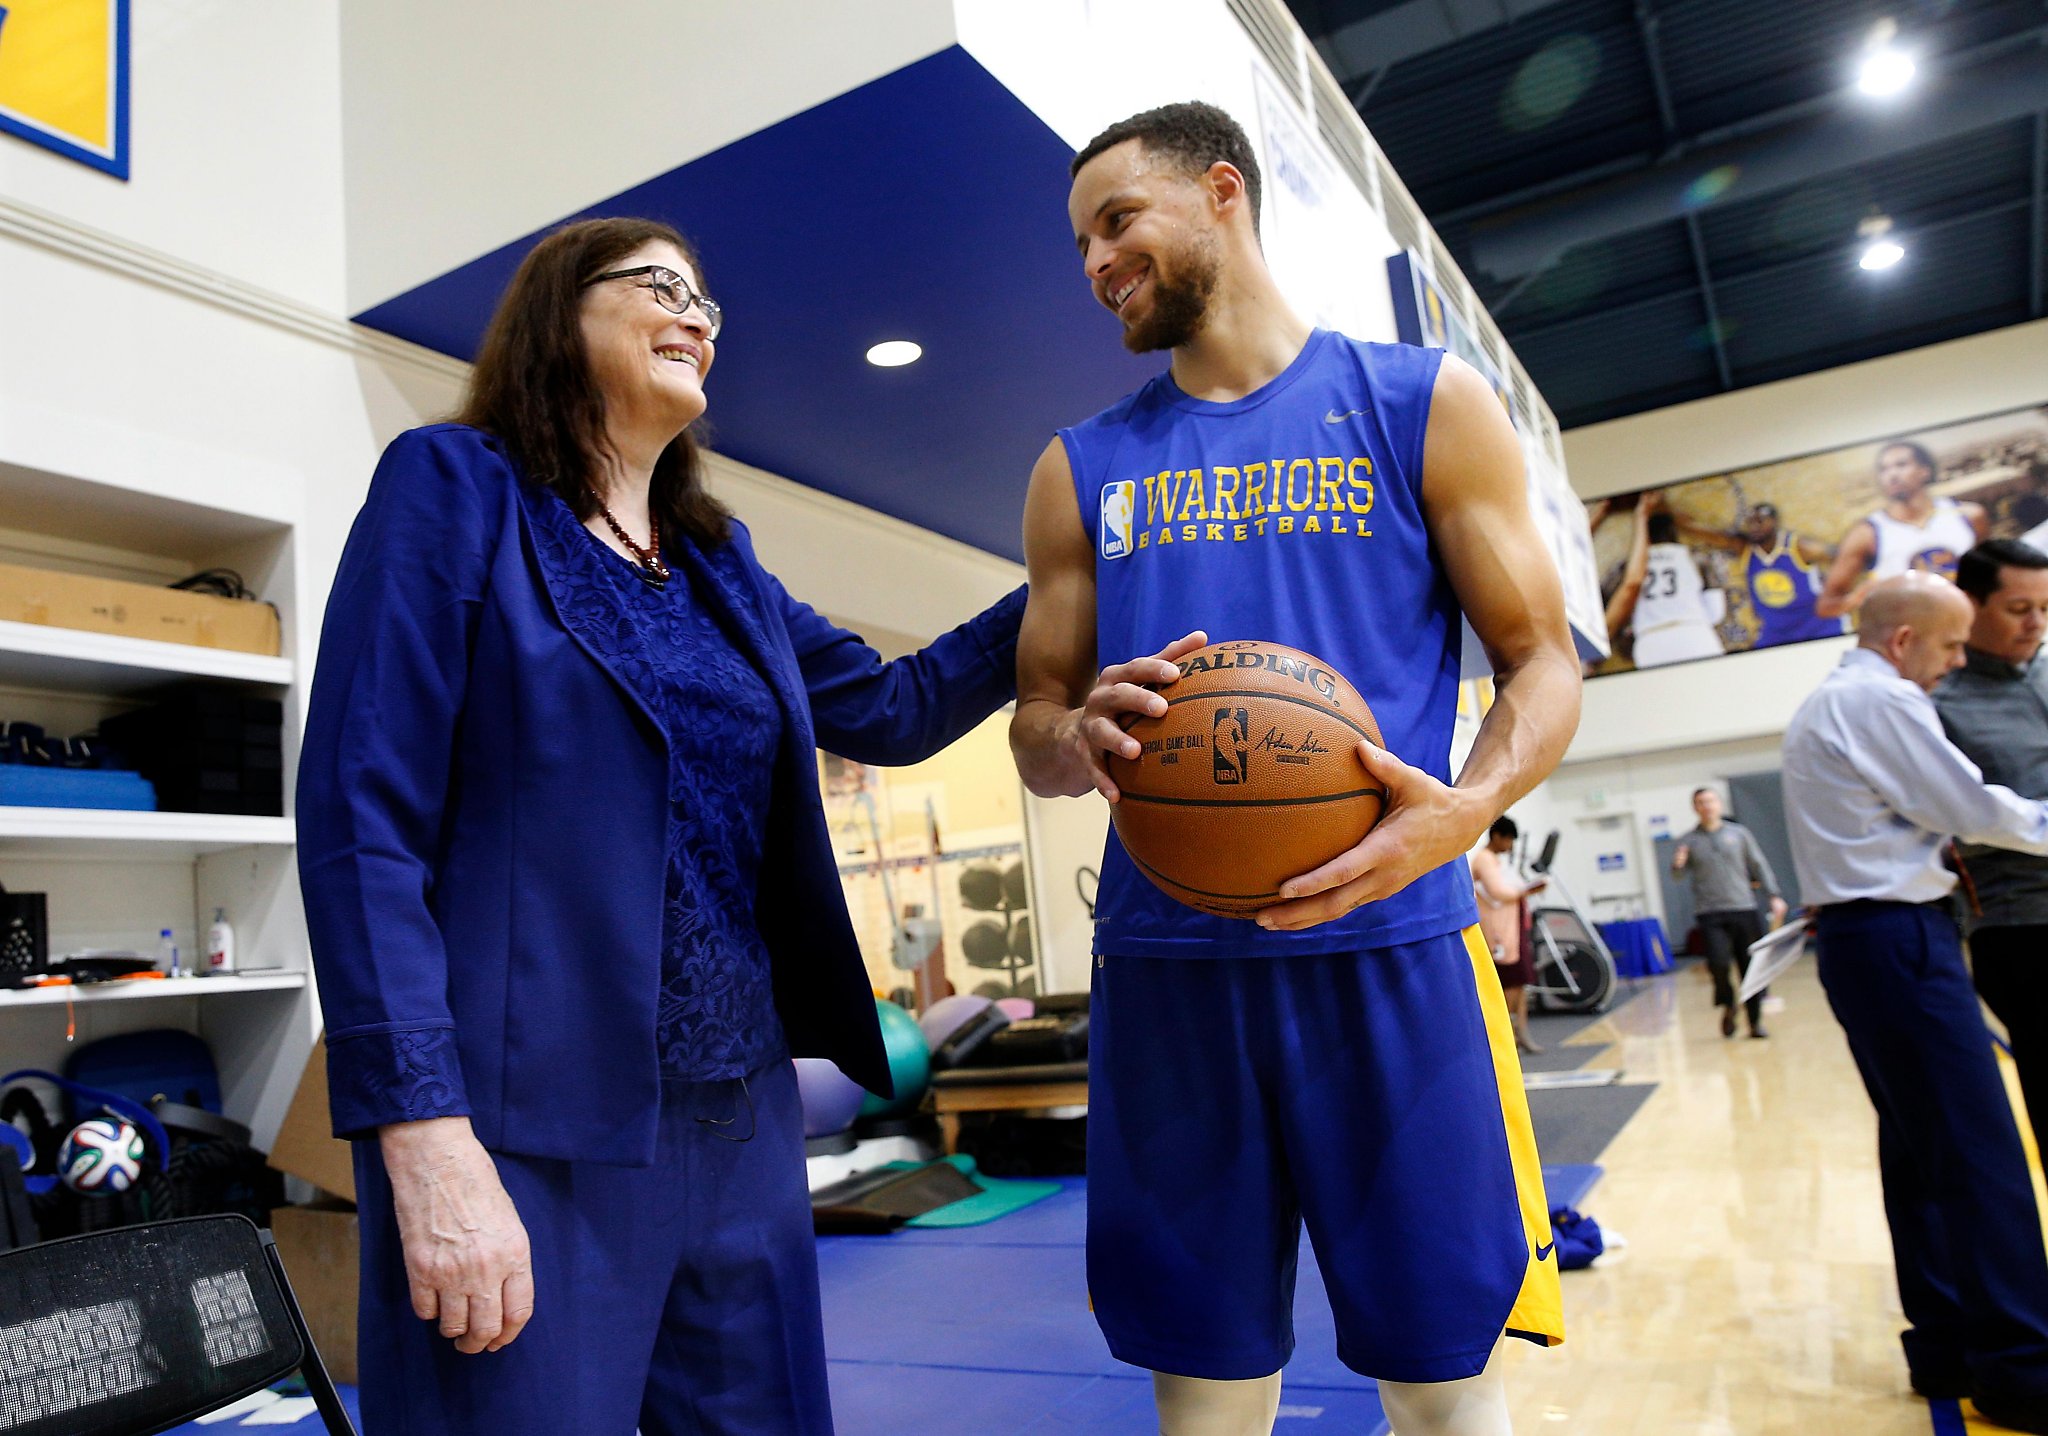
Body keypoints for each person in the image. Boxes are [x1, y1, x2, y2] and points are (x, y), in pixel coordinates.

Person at [296, 217, 1025, 1436]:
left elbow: (893, 707)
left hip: (739, 1111)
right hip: (525, 1120)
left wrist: (1080, 576)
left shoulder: (716, 562)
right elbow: (360, 816)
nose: (696, 313)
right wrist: (422, 1136)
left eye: (708, 303)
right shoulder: (454, 488)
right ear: (553, 317)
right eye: (657, 286)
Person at [1010, 102, 1580, 1436]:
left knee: (1444, 1375)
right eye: (1080, 244)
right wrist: (1068, 732)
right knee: (1204, 1389)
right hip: (1169, 972)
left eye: (1116, 222)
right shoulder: (1077, 468)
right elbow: (1037, 728)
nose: (1095, 263)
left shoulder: (1419, 401)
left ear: (1222, 193)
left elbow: (1542, 658)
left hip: (1392, 949)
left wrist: (1470, 813)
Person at [1781, 571, 2048, 1432]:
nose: (1956, 663)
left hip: (1870, 944)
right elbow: (1970, 809)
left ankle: (1947, 1342)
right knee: (1981, 1154)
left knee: (1923, 1152)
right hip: (1900, 938)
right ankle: (2021, 1366)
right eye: (1950, 646)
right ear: (1903, 642)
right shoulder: (1882, 702)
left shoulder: (1833, 701)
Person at [1934, 539, 2048, 1159]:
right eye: (2019, 608)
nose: (2036, 624)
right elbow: (1964, 820)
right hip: (2025, 929)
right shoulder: (1938, 704)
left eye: (2046, 608)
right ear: (1969, 605)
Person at [1815, 439, 1988, 617]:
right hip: (1909, 633)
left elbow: (1988, 578)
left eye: (1901, 465)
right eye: (1884, 469)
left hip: (1968, 626)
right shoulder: (1867, 533)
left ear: (1925, 471)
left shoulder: (1968, 516)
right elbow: (1826, 606)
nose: (1892, 475)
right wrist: (1857, 598)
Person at [1669, 787, 1788, 1039]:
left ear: (1719, 804)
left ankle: (1755, 1022)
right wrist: (1677, 864)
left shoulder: (1739, 834)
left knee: (1750, 967)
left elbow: (1758, 864)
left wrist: (1773, 895)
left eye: (1710, 801)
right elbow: (1677, 876)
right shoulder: (1688, 840)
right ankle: (1728, 1005)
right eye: (1700, 802)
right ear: (1695, 807)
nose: (1706, 806)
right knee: (1719, 964)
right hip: (1710, 913)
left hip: (1743, 908)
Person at [1672, 502, 1844, 648]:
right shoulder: (1745, 549)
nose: (1754, 526)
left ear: (1774, 522)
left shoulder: (1798, 547)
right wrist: (1665, 511)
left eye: (1760, 521)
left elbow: (1847, 556)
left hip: (1817, 626)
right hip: (1777, 632)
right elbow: (1699, 531)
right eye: (1751, 522)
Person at [1472, 817, 1545, 1055]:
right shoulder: (1483, 859)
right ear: (1497, 836)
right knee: (1508, 984)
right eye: (1509, 840)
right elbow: (1498, 892)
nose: (1510, 846)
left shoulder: (1495, 861)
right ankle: (1508, 1036)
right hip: (1498, 933)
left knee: (1519, 982)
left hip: (1510, 929)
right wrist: (1526, 890)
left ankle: (1520, 1032)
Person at [1627, 505, 1727, 668]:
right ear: (1674, 532)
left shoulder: (1627, 566)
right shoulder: (1698, 558)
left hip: (1650, 641)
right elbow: (1716, 612)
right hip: (1694, 634)